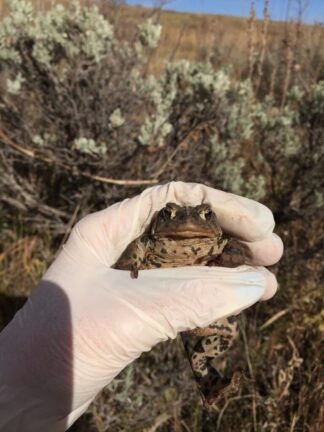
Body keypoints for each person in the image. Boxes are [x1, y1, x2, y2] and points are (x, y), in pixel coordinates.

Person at [0, 182, 283, 431]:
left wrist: (231, 258)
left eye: (205, 216)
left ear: (212, 221)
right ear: (160, 220)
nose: (186, 221)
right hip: (158, 288)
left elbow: (234, 248)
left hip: (208, 298)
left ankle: (211, 386)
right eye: (168, 215)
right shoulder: (150, 240)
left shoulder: (219, 239)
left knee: (216, 336)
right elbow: (137, 248)